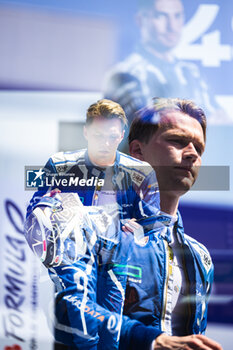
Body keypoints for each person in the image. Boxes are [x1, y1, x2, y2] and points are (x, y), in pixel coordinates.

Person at [25, 99, 160, 349]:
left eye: (111, 136)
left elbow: (155, 227)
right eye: (98, 135)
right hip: (73, 261)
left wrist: (139, 232)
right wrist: (48, 211)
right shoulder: (59, 165)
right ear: (85, 132)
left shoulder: (141, 172)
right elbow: (34, 212)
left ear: (121, 135)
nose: (105, 143)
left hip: (119, 263)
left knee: (111, 337)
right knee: (83, 333)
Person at [118, 97, 222, 350]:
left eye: (199, 148)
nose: (192, 153)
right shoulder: (100, 229)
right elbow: (70, 313)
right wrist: (154, 342)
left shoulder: (200, 257)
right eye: (177, 140)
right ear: (137, 151)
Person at [103, 0, 225, 152]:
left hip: (193, 167)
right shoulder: (126, 73)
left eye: (177, 16)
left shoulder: (191, 72)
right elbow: (150, 128)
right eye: (161, 16)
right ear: (141, 20)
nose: (172, 26)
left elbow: (219, 119)